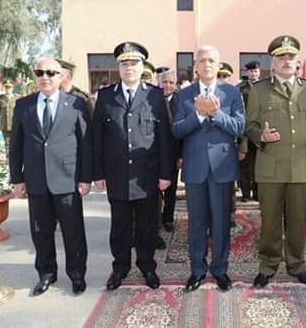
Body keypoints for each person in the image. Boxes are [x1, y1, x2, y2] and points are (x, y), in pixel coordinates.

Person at [92, 41, 173, 291]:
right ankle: (120, 267)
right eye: (124, 63)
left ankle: (147, 266)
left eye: (134, 63)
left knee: (148, 226)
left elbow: (165, 139)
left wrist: (166, 174)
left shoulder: (155, 96)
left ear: (142, 66)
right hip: (117, 174)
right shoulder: (106, 96)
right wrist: (97, 173)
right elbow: (97, 138)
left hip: (147, 175)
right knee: (120, 226)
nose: (129, 68)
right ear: (119, 66)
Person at [9, 58, 92, 297]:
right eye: (39, 72)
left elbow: (85, 144)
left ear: (61, 77)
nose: (45, 77)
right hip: (36, 181)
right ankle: (46, 273)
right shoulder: (23, 105)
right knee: (40, 231)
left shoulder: (76, 104)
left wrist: (85, 178)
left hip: (67, 180)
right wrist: (17, 179)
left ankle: (77, 275)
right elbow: (15, 146)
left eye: (51, 73)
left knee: (73, 232)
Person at [246, 35, 306, 288]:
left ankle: (296, 264)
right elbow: (250, 125)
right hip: (270, 167)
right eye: (282, 57)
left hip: (301, 167)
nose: (287, 61)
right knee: (270, 221)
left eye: (291, 57)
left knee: (298, 221)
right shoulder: (259, 90)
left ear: (298, 61)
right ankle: (267, 265)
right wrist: (261, 136)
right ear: (273, 63)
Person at [172, 45, 245, 293]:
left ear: (218, 64)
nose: (206, 65)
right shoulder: (184, 95)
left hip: (222, 168)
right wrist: (199, 116)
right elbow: (177, 129)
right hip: (195, 168)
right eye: (202, 60)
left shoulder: (232, 92)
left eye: (211, 60)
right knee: (196, 223)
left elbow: (239, 127)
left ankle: (220, 270)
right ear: (195, 66)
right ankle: (197, 270)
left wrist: (215, 114)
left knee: (221, 222)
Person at [158, 69, 181, 232]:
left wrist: (181, 156)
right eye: (164, 82)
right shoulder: (152, 99)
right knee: (155, 191)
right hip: (155, 155)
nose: (167, 85)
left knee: (171, 190)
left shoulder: (180, 101)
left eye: (171, 82)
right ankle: (156, 221)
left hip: (174, 153)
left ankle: (168, 219)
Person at [238, 61, 261, 202]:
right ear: (247, 73)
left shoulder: (265, 87)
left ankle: (258, 193)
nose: (253, 74)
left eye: (256, 71)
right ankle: (246, 193)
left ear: (259, 72)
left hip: (259, 130)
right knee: (245, 163)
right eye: (251, 71)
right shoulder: (241, 88)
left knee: (259, 164)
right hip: (245, 131)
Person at [0, 81, 17, 155]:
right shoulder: (0, 98)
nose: (8, 90)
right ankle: (8, 157)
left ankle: (14, 156)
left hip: (14, 124)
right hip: (4, 124)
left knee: (14, 142)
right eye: (6, 88)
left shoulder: (16, 98)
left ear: (12, 89)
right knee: (6, 142)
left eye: (9, 88)